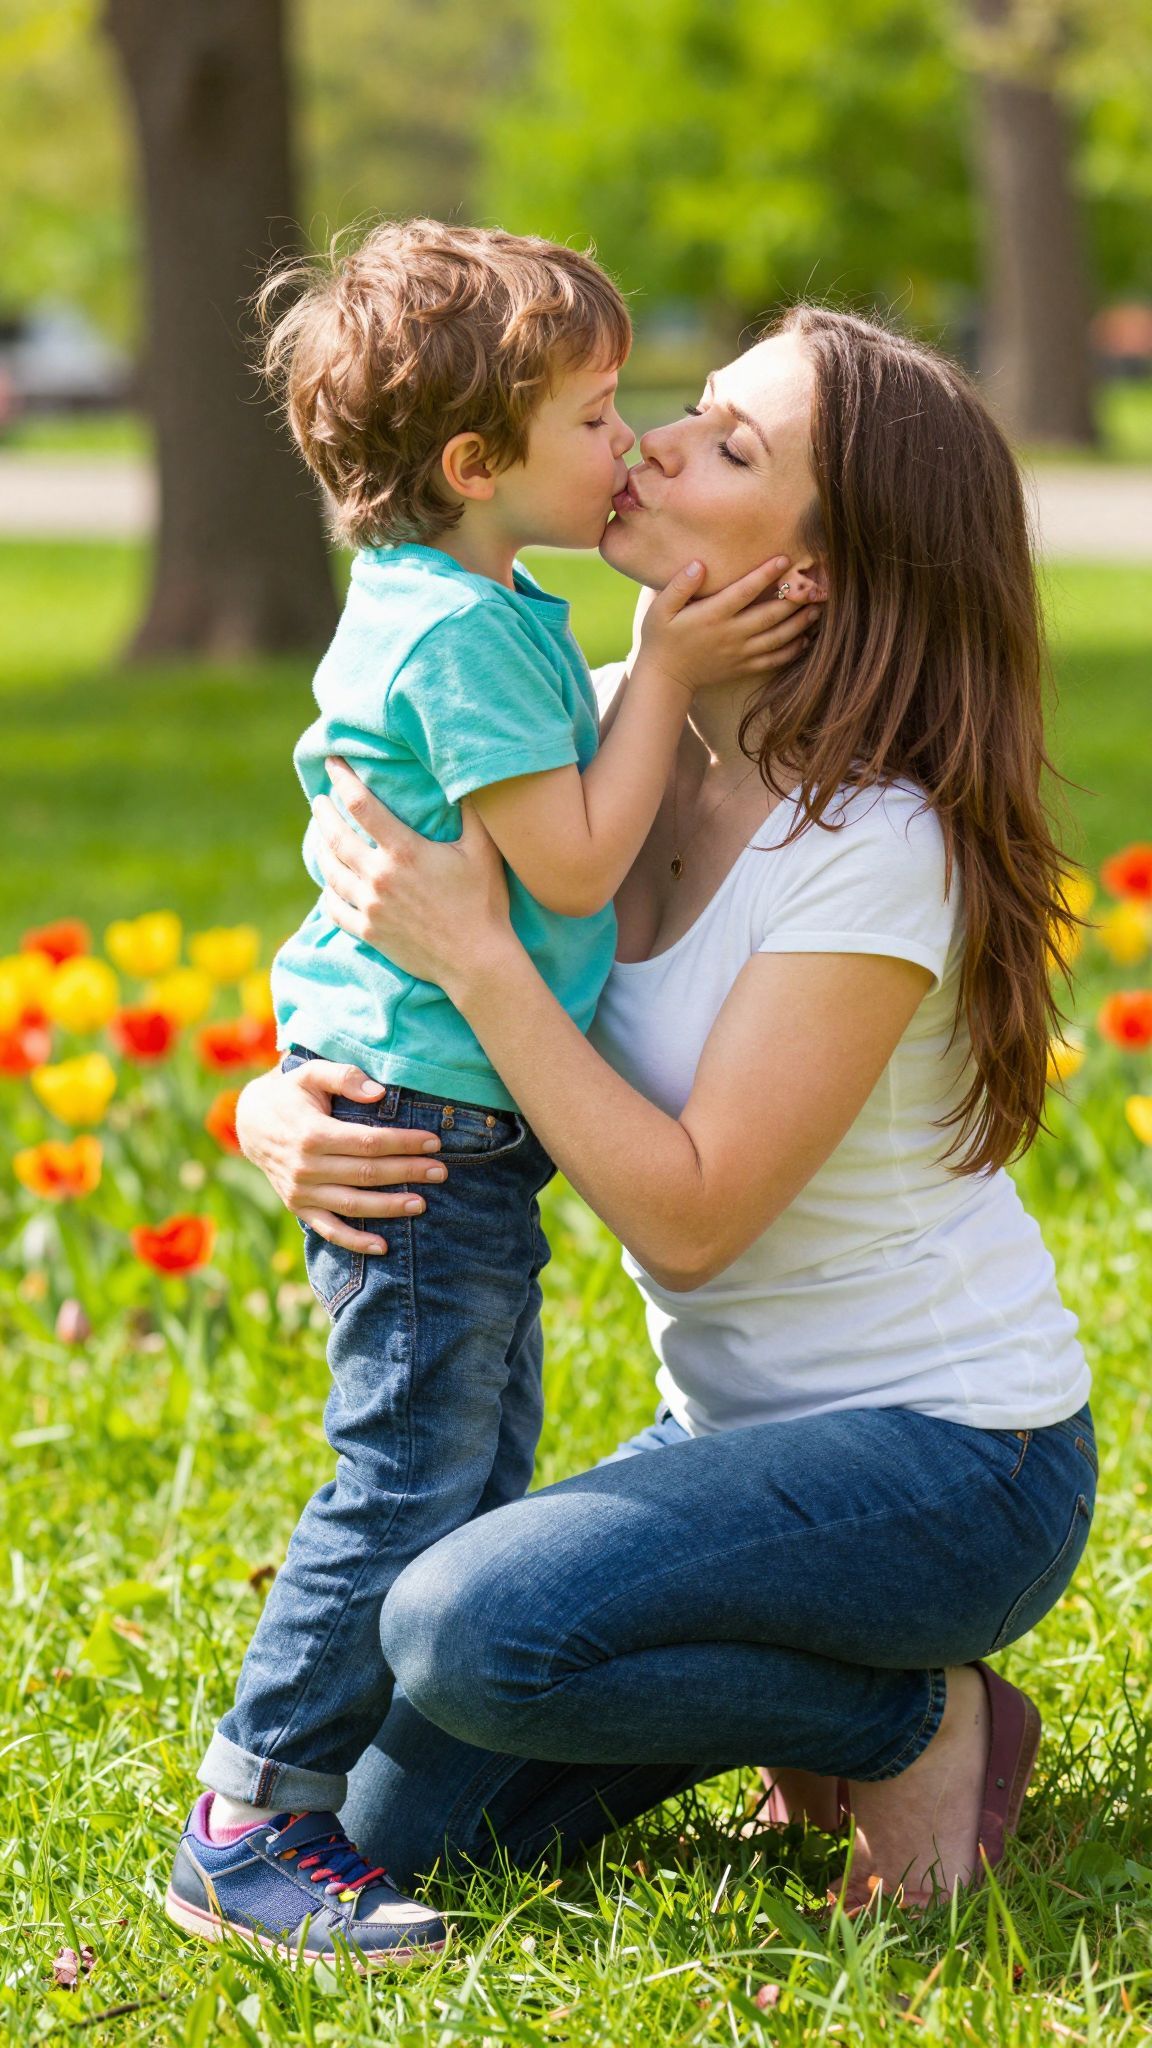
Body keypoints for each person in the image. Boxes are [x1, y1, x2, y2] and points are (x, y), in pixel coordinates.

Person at [235, 305, 1096, 1921]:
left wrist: (488, 964)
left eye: (732, 446)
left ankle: (914, 1713)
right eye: (688, 410)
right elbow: (373, 950)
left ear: (818, 571)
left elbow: (695, 1221)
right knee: (398, 1823)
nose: (656, 445)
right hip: (720, 1442)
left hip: (951, 1464)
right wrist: (271, 1103)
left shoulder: (875, 845)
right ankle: (786, 1665)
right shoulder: (599, 725)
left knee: (462, 1629)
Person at [167, 220, 818, 1970]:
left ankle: (326, 1783)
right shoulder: (454, 641)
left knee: (472, 1466)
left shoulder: (480, 611)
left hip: (452, 1127)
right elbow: (585, 864)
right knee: (408, 1481)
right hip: (421, 1139)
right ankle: (249, 1818)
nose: (632, 448)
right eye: (599, 417)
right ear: (476, 465)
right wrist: (674, 666)